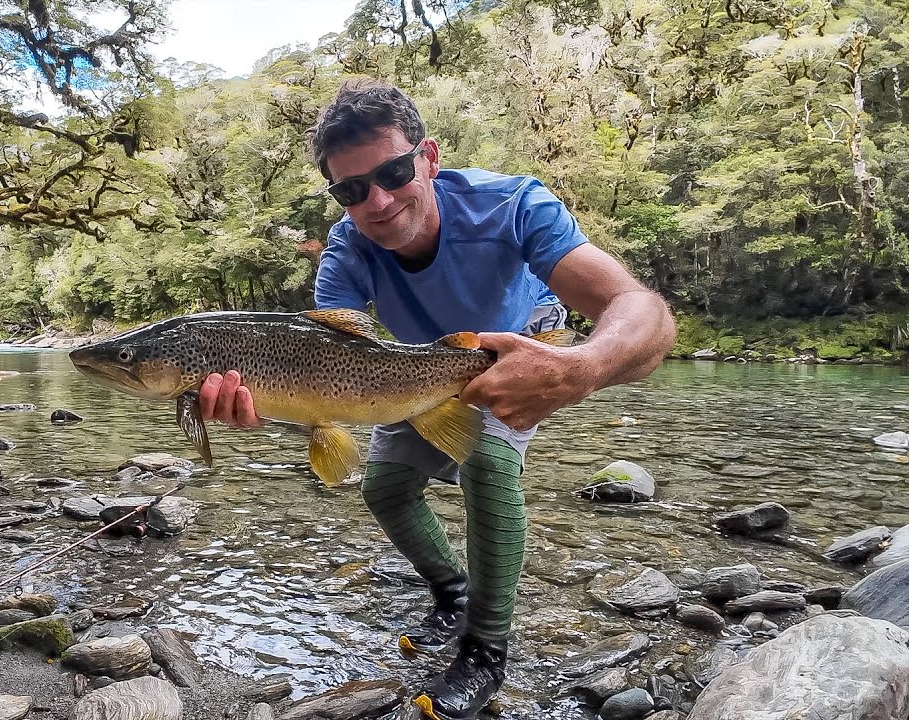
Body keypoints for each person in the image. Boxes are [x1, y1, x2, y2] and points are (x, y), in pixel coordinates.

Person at [198, 79, 675, 719]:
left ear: (429, 157)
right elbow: (321, 353)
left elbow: (643, 312)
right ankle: (452, 589)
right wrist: (271, 401)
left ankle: (486, 646)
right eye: (352, 189)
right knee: (384, 488)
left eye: (393, 171)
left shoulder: (512, 206)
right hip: (415, 368)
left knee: (489, 464)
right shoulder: (347, 245)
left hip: (513, 348)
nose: (378, 199)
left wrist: (580, 367)